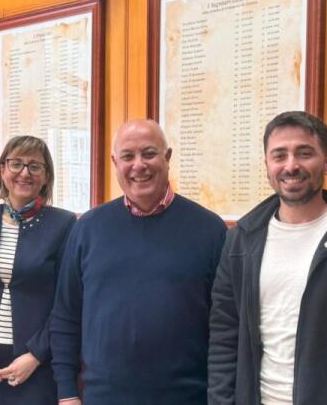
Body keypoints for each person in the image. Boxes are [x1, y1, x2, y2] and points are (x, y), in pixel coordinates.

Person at [207, 111, 327, 405]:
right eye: (279, 155)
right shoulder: (240, 240)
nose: (291, 165)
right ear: (267, 166)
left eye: (304, 153)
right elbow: (224, 336)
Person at [50, 119, 227, 405]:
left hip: (187, 398)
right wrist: (67, 394)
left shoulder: (210, 230)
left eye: (149, 153)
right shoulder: (87, 229)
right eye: (128, 156)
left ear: (167, 157)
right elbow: (65, 318)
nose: (138, 165)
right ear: (115, 162)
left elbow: (225, 330)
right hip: (103, 398)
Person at [0, 135, 76, 405]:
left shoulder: (64, 224)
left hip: (38, 366)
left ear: (46, 176)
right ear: (2, 169)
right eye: (16, 163)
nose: (24, 173)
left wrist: (36, 355)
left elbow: (66, 301)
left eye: (35, 166)